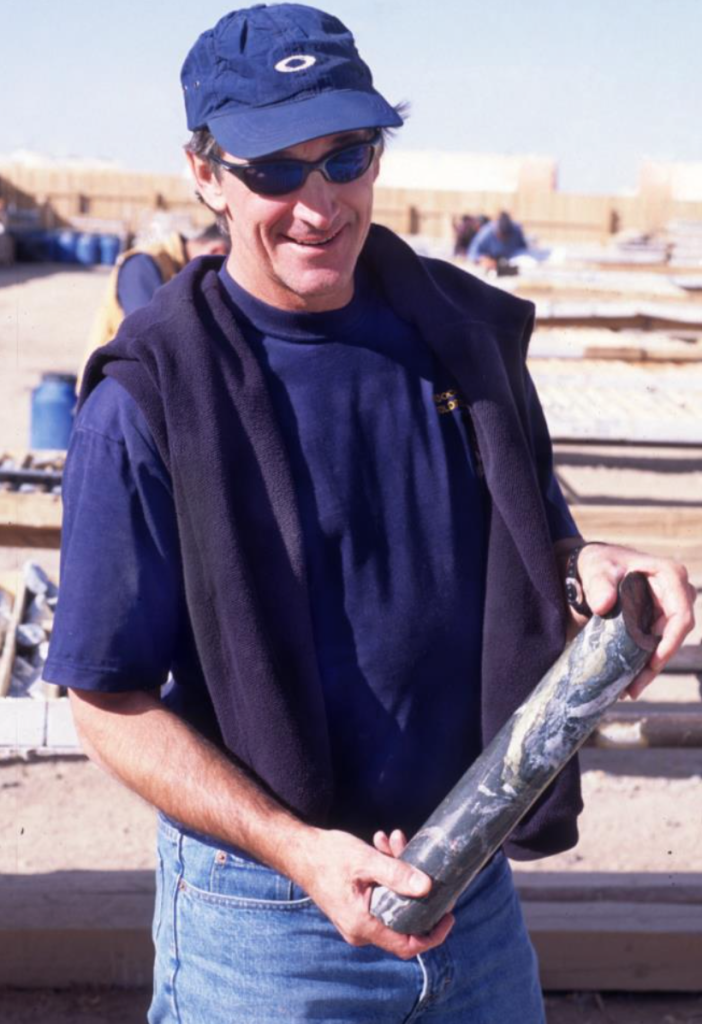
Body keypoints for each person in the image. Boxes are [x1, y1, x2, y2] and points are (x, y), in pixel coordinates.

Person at [45, 6, 695, 1022]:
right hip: (265, 930)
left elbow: (531, 541)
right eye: (274, 170)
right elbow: (105, 699)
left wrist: (588, 566)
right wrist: (297, 849)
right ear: (206, 172)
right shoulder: (149, 401)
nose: (320, 202)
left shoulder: (459, 341)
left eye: (348, 157)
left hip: (470, 898)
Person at [78, 222, 228, 384]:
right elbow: (151, 338)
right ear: (217, 252)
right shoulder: (143, 263)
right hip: (111, 393)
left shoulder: (181, 268)